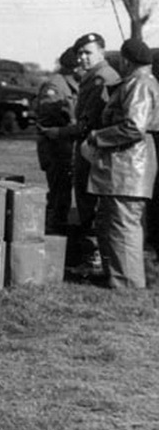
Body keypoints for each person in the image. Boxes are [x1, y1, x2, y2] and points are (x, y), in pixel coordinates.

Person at [80, 38, 159, 288]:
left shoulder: (139, 84)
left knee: (123, 226)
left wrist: (97, 137)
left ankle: (127, 283)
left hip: (128, 168)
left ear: (125, 60)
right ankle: (119, 276)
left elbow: (134, 127)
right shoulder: (144, 82)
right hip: (126, 167)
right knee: (114, 223)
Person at [42, 33, 120, 274]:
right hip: (91, 148)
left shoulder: (101, 78)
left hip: (93, 149)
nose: (83, 57)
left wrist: (58, 132)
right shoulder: (96, 76)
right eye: (80, 53)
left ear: (101, 53)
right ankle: (96, 256)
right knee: (88, 202)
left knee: (90, 203)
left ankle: (95, 257)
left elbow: (88, 123)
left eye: (88, 52)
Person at [35, 47, 81, 234]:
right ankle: (53, 233)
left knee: (62, 194)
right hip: (56, 150)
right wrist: (71, 126)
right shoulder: (55, 87)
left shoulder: (72, 84)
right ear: (74, 68)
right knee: (58, 196)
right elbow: (46, 122)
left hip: (65, 147)